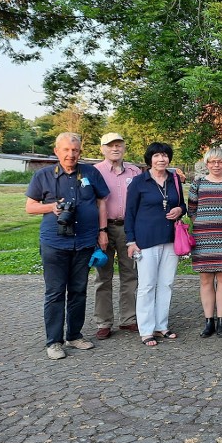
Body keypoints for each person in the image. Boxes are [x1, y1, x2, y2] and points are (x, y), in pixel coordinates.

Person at [26, 133, 110, 360]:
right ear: (57, 151)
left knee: (78, 291)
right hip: (55, 243)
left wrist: (102, 232)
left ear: (80, 152)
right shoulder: (43, 175)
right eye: (66, 150)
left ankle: (74, 335)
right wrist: (51, 207)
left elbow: (102, 201)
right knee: (54, 293)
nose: (70, 154)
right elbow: (30, 207)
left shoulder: (91, 173)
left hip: (84, 242)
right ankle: (54, 341)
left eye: (75, 150)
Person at [125, 142, 187, 348]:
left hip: (171, 238)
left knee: (166, 283)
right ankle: (146, 329)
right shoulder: (138, 182)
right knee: (147, 285)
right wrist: (131, 241)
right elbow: (130, 213)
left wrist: (179, 210)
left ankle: (162, 325)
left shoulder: (175, 180)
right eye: (157, 156)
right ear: (149, 159)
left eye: (165, 155)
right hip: (146, 240)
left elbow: (183, 205)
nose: (161, 159)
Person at [188, 147, 222, 338]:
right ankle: (208, 321)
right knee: (205, 279)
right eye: (213, 162)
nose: (217, 165)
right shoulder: (198, 184)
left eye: (220, 161)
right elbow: (192, 210)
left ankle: (221, 321)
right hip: (204, 238)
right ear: (207, 164)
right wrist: (204, 226)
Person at [91, 132, 142, 339]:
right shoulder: (95, 172)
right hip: (102, 227)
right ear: (102, 148)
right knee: (103, 277)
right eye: (110, 145)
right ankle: (104, 322)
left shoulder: (135, 171)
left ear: (124, 147)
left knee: (130, 275)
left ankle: (128, 319)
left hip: (128, 228)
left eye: (119, 145)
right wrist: (98, 231)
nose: (115, 149)